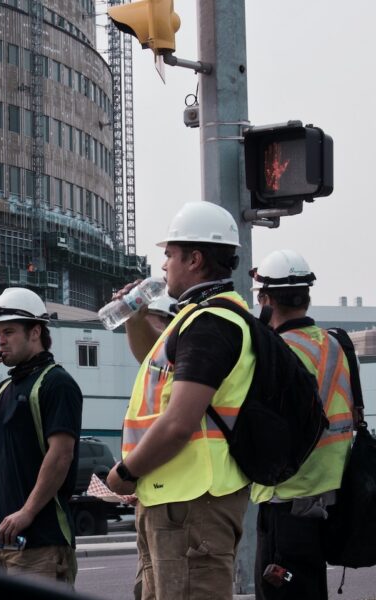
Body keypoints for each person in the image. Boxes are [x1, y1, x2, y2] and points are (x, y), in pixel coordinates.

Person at [107, 202, 254, 600]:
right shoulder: (196, 318)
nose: (164, 264)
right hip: (176, 498)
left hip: (193, 502)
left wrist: (126, 471)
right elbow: (153, 362)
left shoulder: (211, 324)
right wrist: (136, 317)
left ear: (195, 258)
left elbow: (178, 424)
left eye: (169, 254)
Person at [0, 287, 83, 586]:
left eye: (8, 331)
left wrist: (27, 512)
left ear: (35, 331)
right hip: (1, 540)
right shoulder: (4, 389)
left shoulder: (56, 383)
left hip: (40, 540)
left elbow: (61, 454)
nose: (0, 341)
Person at [249, 250, 355, 600]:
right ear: (306, 296)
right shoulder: (336, 344)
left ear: (265, 300)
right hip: (329, 498)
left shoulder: (277, 351)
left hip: (287, 499)